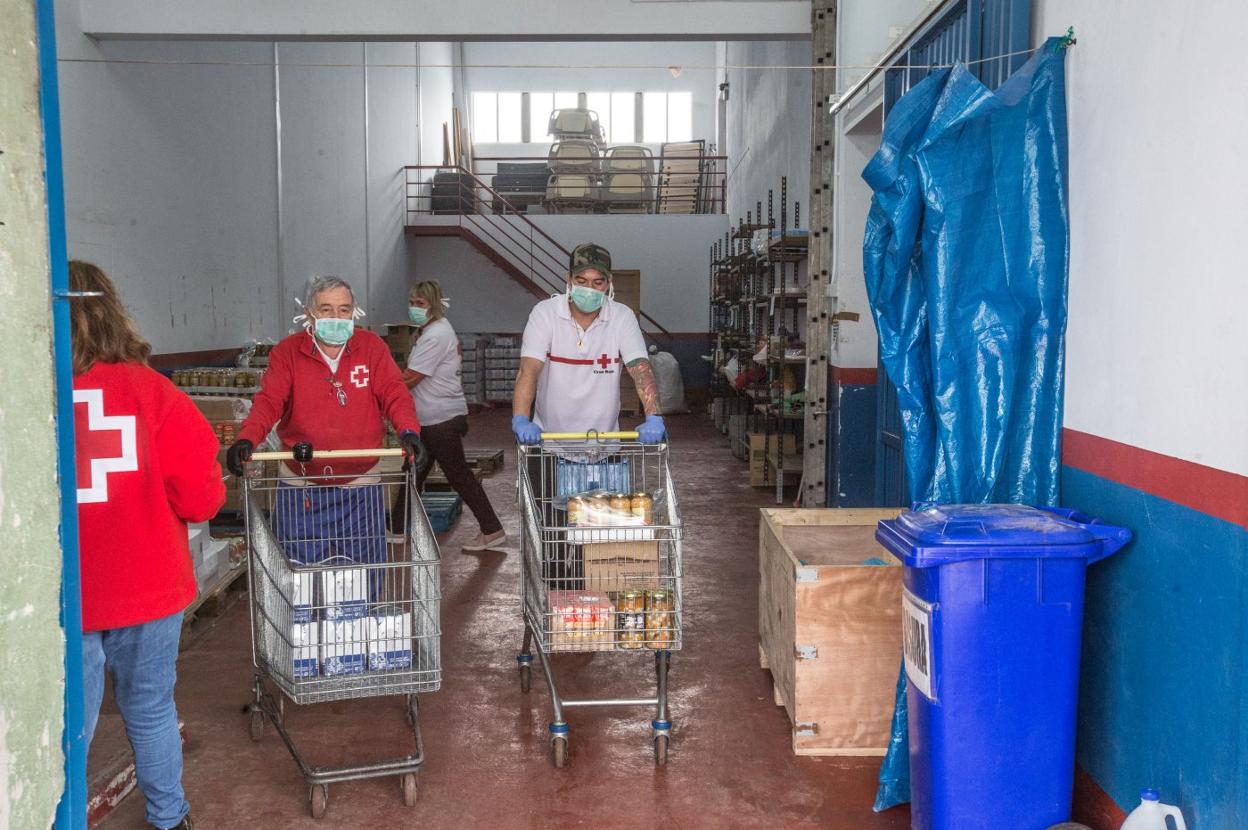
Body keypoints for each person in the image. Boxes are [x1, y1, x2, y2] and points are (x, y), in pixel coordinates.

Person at [71, 260, 225, 830]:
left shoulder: (30, 397)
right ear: (114, 311)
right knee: (150, 706)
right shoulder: (153, 393)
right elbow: (202, 500)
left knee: (70, 720)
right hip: (148, 587)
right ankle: (168, 818)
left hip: (67, 592)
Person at [227, 276, 425, 574]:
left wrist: (409, 432)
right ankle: (306, 620)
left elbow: (394, 394)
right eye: (326, 309)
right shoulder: (288, 353)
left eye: (344, 310)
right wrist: (247, 439)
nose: (336, 318)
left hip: (359, 486)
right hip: (301, 486)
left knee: (363, 572)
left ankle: (360, 619)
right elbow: (269, 401)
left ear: (354, 312)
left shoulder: (371, 348)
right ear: (309, 313)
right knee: (300, 577)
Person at [511, 242, 666, 445]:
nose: (589, 290)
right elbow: (528, 370)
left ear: (609, 282)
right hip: (550, 442)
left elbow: (640, 369)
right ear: (569, 279)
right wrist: (521, 418)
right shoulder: (545, 314)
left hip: (604, 443)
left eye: (598, 282)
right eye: (581, 281)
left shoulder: (622, 317)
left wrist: (653, 416)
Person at [401, 280, 507, 551]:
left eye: (420, 304)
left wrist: (379, 394)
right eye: (412, 302)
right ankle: (396, 526)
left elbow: (411, 377)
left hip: (440, 419)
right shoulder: (431, 332)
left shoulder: (436, 335)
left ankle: (492, 529)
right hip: (432, 416)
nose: (414, 308)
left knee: (457, 475)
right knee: (415, 470)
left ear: (433, 305)